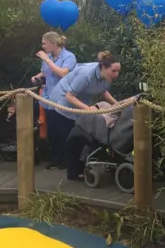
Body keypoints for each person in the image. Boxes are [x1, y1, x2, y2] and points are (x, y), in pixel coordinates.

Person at [49, 51, 121, 180]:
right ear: (104, 68)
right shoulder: (86, 74)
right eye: (114, 71)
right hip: (66, 102)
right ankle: (72, 172)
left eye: (118, 71)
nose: (117, 74)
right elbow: (69, 96)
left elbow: (103, 91)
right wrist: (89, 110)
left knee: (83, 136)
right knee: (73, 138)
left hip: (82, 102)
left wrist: (119, 105)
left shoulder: (105, 76)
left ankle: (79, 169)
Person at [31, 32, 77, 169]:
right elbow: (46, 72)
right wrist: (36, 77)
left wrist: (47, 60)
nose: (43, 46)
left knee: (63, 130)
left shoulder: (69, 57)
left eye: (45, 43)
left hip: (63, 99)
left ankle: (66, 160)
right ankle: (55, 158)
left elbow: (63, 73)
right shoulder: (48, 57)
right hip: (48, 98)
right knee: (52, 130)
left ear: (53, 43)